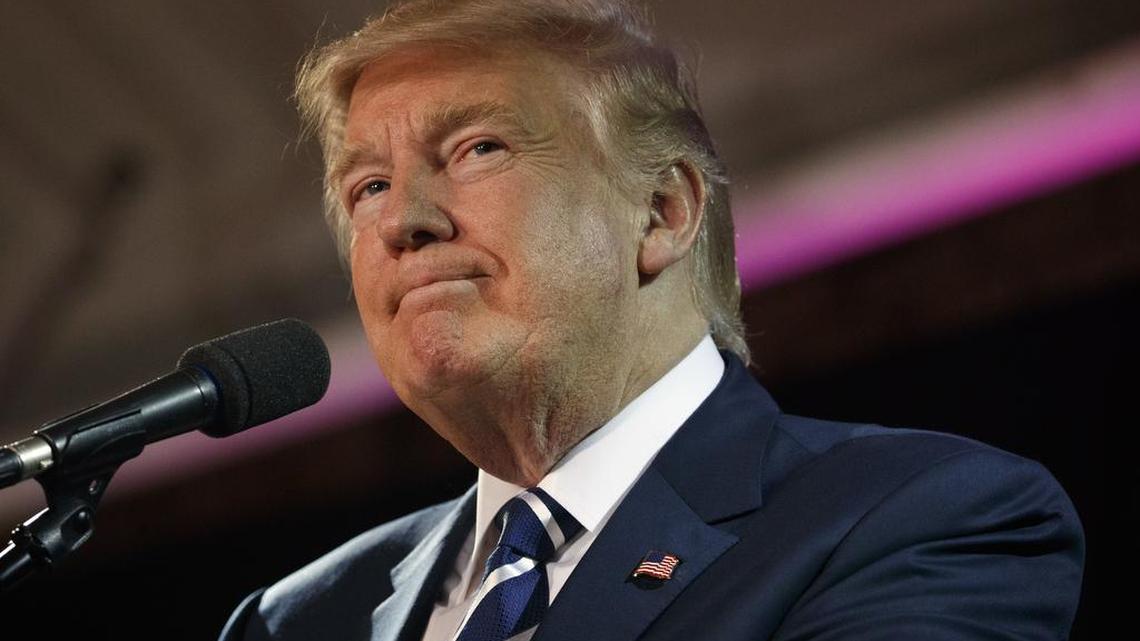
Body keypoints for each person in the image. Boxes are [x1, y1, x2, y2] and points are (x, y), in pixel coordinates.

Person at [220, 1, 1084, 639]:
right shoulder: (295, 621)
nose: (405, 218)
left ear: (664, 210)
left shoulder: (916, 520)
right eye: (367, 186)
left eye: (479, 148)